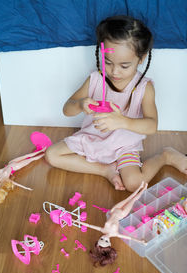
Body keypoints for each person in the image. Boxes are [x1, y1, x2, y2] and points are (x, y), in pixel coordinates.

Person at [45, 15, 187, 192]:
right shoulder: (95, 80)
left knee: (134, 184)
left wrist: (122, 121)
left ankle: (165, 156)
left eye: (124, 66)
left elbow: (152, 125)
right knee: (52, 155)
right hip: (92, 138)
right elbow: (67, 109)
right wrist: (80, 104)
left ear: (141, 59)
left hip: (124, 145)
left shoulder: (144, 87)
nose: (114, 71)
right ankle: (105, 170)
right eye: (108, 62)